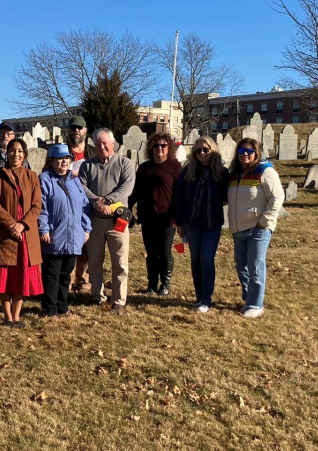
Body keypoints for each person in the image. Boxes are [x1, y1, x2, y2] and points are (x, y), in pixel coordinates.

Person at [0, 138, 43, 327]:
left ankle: (17, 315)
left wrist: (22, 225)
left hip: (25, 233)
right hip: (4, 231)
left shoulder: (32, 176)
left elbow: (36, 206)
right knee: (5, 273)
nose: (16, 154)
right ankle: (6, 315)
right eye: (12, 150)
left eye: (19, 151)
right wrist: (11, 225)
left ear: (24, 155)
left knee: (21, 273)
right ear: (7, 153)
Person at [79, 128, 135, 313]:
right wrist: (95, 201)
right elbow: (82, 186)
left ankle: (119, 300)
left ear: (113, 142)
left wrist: (107, 200)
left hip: (117, 221)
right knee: (95, 261)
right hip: (94, 220)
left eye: (104, 143)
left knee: (119, 261)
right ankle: (97, 295)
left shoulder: (125, 163)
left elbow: (126, 187)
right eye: (97, 143)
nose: (101, 146)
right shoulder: (87, 166)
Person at [227, 138, 284, 318]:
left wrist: (264, 221)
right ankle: (248, 298)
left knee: (255, 265)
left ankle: (256, 304)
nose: (245, 154)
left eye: (249, 151)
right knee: (241, 266)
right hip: (238, 227)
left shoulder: (265, 171)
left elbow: (277, 197)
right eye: (242, 150)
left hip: (258, 227)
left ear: (256, 153)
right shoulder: (235, 173)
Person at [174, 136, 230, 313]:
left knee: (206, 259)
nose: (202, 153)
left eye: (205, 149)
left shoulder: (222, 173)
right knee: (195, 260)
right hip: (191, 222)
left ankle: (206, 298)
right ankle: (199, 297)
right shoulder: (188, 171)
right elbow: (179, 197)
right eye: (198, 150)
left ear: (212, 150)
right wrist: (179, 223)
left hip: (212, 223)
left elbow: (229, 195)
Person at [37, 144, 91, 317]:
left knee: (66, 274)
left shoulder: (75, 180)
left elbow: (84, 206)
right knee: (52, 275)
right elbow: (41, 207)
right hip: (54, 234)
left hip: (74, 235)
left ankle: (62, 306)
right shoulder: (45, 179)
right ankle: (49, 309)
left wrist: (86, 228)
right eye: (59, 158)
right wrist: (44, 229)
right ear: (51, 161)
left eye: (67, 158)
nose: (64, 162)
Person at [129, 132, 182, 295]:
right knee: (151, 253)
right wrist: (128, 208)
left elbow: (180, 194)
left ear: (169, 148)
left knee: (165, 252)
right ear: (151, 148)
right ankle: (152, 284)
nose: (160, 148)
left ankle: (165, 284)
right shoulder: (144, 167)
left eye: (163, 145)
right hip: (147, 216)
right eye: (156, 145)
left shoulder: (175, 166)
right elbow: (135, 191)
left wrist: (176, 216)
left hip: (167, 218)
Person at [65, 115, 97, 293]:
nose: (76, 130)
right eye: (73, 127)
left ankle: (83, 282)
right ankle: (67, 282)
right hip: (68, 206)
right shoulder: (61, 151)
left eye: (80, 127)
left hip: (89, 205)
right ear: (68, 130)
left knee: (87, 245)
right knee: (68, 245)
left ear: (86, 130)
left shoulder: (93, 152)